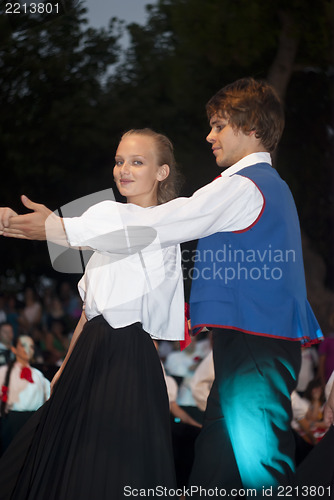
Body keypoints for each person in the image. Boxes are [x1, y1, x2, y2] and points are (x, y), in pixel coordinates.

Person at [0, 78, 323, 495]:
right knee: (217, 463)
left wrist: (58, 227)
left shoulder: (245, 185)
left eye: (219, 125)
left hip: (255, 339)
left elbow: (162, 223)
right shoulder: (256, 186)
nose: (209, 135)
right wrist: (59, 228)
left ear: (253, 128)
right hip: (243, 339)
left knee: (258, 460)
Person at [0, 128, 185, 499]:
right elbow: (90, 310)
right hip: (92, 353)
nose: (124, 170)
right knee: (60, 454)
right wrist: (66, 366)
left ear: (162, 172)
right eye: (119, 161)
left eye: (137, 161)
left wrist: (47, 225)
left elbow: (99, 232)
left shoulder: (159, 226)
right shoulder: (107, 227)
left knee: (110, 462)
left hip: (130, 357)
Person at [0, 335, 50, 455]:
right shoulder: (4, 372)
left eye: (31, 346)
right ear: (14, 349)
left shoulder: (38, 375)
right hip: (11, 422)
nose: (27, 349)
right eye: (23, 345)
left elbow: (49, 397)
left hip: (33, 422)